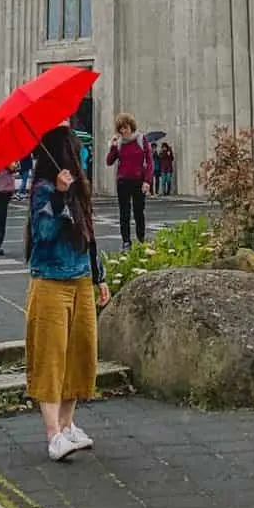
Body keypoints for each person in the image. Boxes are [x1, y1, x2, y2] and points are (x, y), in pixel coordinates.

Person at [25, 126, 107, 462]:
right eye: (77, 150)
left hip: (81, 279)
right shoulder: (44, 190)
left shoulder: (79, 189)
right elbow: (42, 234)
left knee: (80, 353)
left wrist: (99, 276)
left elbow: (88, 235)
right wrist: (58, 196)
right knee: (51, 356)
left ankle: (68, 423)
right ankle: (53, 434)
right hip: (51, 281)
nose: (83, 156)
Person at [106, 113, 151, 248]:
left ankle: (141, 238)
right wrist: (113, 147)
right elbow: (109, 161)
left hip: (138, 180)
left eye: (125, 128)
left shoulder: (141, 139)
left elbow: (149, 162)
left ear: (131, 126)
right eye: (120, 129)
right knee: (124, 212)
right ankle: (126, 241)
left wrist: (147, 181)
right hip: (123, 181)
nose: (123, 131)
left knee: (139, 211)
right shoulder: (119, 143)